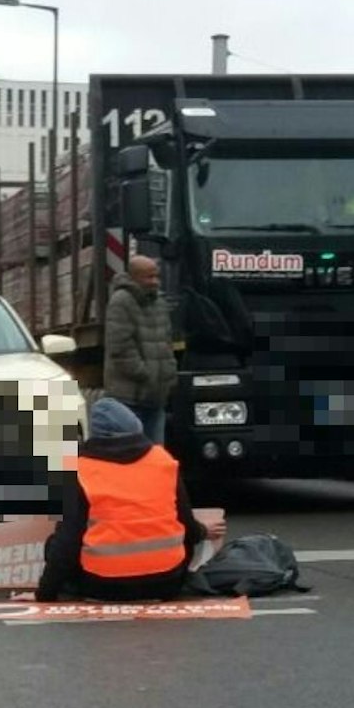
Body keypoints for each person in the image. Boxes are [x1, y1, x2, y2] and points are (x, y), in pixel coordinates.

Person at [36, 398, 221, 602]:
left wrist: (44, 595)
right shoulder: (163, 461)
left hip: (102, 586)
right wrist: (203, 531)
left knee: (53, 544)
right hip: (167, 582)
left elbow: (66, 545)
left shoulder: (79, 471)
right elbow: (186, 525)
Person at [103, 255, 178, 444]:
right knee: (131, 451)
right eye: (149, 277)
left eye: (156, 276)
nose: (155, 281)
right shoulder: (121, 301)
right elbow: (120, 347)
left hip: (155, 397)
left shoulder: (159, 302)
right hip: (129, 398)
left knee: (155, 452)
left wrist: (168, 375)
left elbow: (166, 342)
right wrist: (146, 375)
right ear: (134, 277)